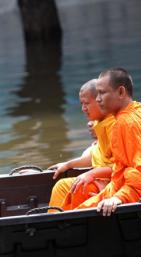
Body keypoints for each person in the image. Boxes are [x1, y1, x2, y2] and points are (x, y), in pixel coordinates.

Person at [77, 68, 141, 216]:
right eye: (97, 94)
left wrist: (118, 197)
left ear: (121, 92)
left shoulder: (125, 123)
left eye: (102, 93)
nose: (98, 99)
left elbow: (139, 174)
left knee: (77, 207)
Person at [48, 79, 115, 210]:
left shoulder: (115, 126)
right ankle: (53, 223)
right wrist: (68, 164)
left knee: (80, 187)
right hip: (102, 179)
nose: (83, 109)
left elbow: (123, 167)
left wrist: (93, 176)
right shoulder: (99, 124)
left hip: (117, 182)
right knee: (61, 186)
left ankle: (67, 224)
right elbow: (95, 155)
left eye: (86, 104)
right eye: (82, 104)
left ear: (100, 101)